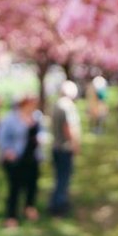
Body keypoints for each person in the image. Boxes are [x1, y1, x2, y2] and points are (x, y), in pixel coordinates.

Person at [0, 95, 43, 228]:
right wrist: (7, 151)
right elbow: (1, 138)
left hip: (32, 157)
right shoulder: (10, 119)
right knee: (15, 188)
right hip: (16, 159)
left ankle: (29, 207)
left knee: (32, 185)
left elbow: (42, 132)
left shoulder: (36, 117)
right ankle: (11, 215)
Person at [49, 81, 81, 217]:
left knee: (59, 177)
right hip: (64, 147)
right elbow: (68, 127)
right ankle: (59, 206)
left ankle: (55, 203)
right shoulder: (67, 106)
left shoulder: (56, 104)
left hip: (56, 146)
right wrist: (75, 144)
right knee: (63, 177)